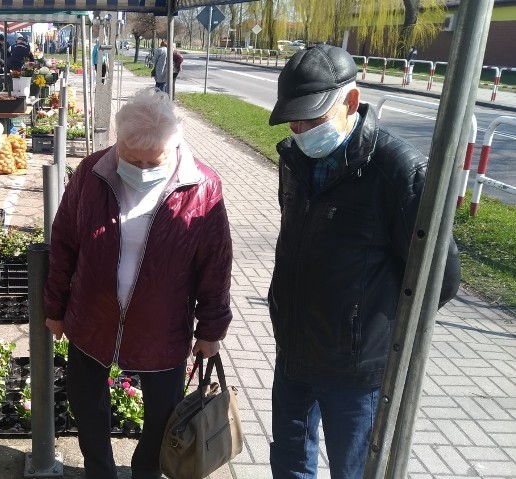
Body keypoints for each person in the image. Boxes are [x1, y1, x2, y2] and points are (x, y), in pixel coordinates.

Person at [266, 44, 461, 478]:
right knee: (290, 465)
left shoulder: (398, 171)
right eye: (292, 118)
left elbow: (440, 279)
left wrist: (370, 329)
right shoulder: (295, 159)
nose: (299, 128)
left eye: (311, 117)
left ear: (350, 102)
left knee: (354, 471)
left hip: (355, 372)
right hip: (294, 351)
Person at [44, 88, 234, 479]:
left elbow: (215, 265)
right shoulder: (92, 173)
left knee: (162, 414)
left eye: (155, 159)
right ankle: (99, 471)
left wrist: (211, 328)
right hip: (91, 318)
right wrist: (55, 309)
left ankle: (145, 472)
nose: (144, 168)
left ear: (175, 144)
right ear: (119, 143)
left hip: (162, 328)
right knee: (85, 401)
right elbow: (63, 243)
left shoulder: (202, 187)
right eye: (133, 159)